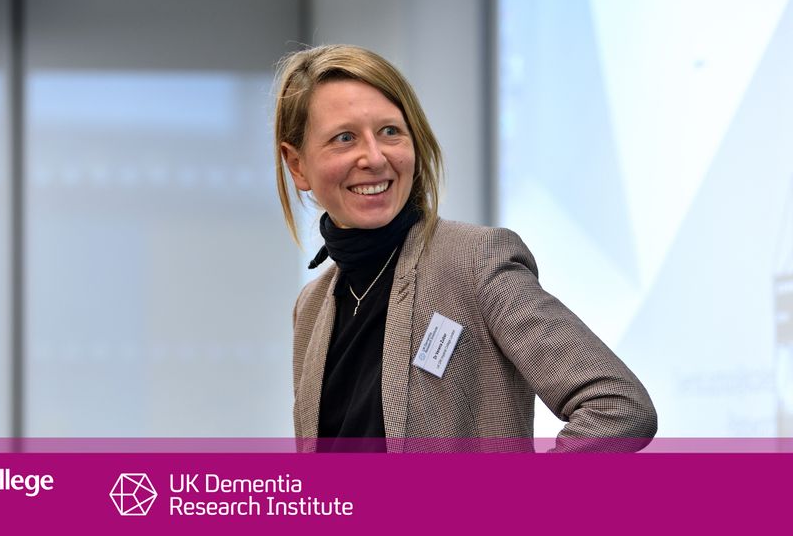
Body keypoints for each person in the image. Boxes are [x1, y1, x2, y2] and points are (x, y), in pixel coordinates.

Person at [273, 44, 657, 453]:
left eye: (390, 132)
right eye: (344, 138)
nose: (374, 157)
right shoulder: (311, 307)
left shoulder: (474, 262)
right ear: (297, 166)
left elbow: (619, 407)